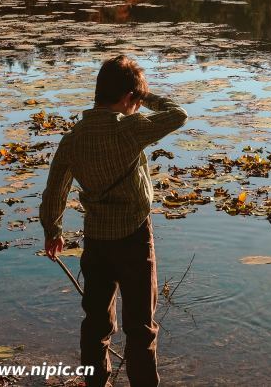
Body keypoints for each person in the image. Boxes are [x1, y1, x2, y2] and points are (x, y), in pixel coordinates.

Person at [40, 54, 187, 387]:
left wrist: (53, 231)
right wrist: (147, 96)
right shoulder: (129, 129)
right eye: (135, 100)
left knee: (96, 325)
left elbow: (55, 192)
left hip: (96, 243)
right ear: (128, 98)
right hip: (135, 240)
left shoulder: (73, 138)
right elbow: (178, 114)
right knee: (140, 328)